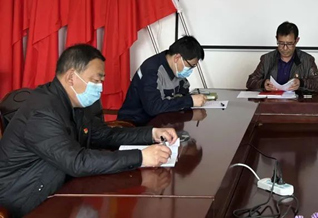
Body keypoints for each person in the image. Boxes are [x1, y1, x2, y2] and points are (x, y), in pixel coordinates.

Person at [0, 44, 177, 217]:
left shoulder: (73, 102)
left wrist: (151, 133)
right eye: (95, 80)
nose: (100, 87)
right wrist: (141, 157)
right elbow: (76, 162)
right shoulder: (42, 112)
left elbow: (104, 135)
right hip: (24, 200)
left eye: (101, 81)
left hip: (58, 187)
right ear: (71, 77)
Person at [118, 36, 207, 125]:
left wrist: (191, 99)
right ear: (177, 58)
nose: (190, 70)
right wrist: (190, 101)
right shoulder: (151, 70)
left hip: (162, 121)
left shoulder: (176, 70)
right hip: (136, 124)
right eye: (190, 66)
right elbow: (153, 108)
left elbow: (183, 93)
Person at [246, 22, 318, 93]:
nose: (285, 48)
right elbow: (250, 82)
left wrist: (301, 83)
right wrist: (263, 84)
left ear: (297, 40)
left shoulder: (307, 60)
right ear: (276, 39)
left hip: (296, 103)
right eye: (281, 43)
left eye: (289, 44)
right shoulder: (267, 59)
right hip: (272, 102)